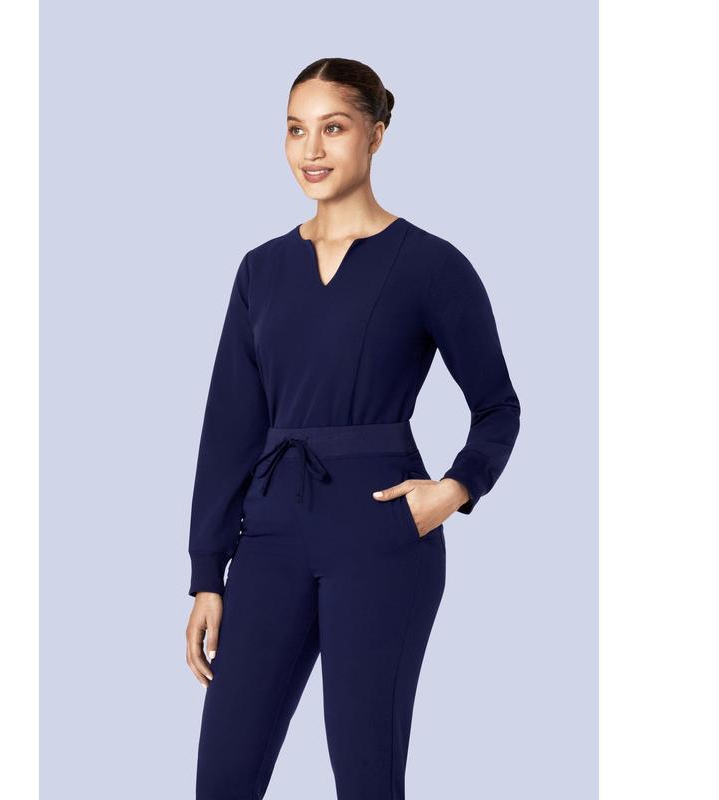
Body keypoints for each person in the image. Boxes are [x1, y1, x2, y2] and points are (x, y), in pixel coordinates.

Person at [184, 57, 521, 800]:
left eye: (333, 128)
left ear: (376, 134)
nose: (311, 150)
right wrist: (207, 574)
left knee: (367, 774)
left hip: (381, 536)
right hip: (269, 537)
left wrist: (454, 490)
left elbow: (498, 406)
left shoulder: (431, 265)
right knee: (224, 777)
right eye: (295, 130)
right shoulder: (260, 270)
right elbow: (230, 430)